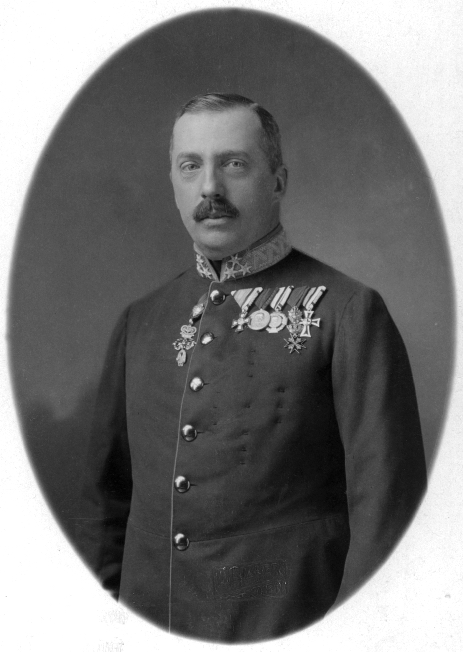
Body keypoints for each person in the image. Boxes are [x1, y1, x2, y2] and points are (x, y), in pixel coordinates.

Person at [78, 93, 427, 643]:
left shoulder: (348, 311)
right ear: (173, 183)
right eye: (190, 166)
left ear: (278, 181)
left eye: (234, 164)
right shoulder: (141, 321)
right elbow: (104, 506)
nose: (209, 188)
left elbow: (389, 519)